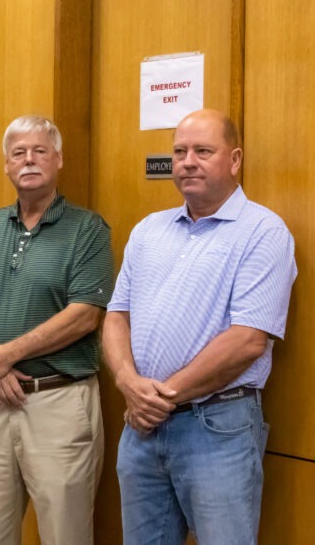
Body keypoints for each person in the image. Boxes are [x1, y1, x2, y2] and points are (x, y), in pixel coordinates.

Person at [102, 109, 296, 545]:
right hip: (141, 428)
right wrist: (128, 382)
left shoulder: (263, 232)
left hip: (217, 428)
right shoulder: (148, 230)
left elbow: (247, 340)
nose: (188, 161)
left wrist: (157, 398)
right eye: (180, 152)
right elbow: (116, 316)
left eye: (203, 151)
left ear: (235, 159)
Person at [0, 115, 113, 545]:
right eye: (19, 153)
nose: (29, 160)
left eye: (40, 151)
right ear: (7, 164)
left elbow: (86, 314)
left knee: (65, 534)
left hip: (58, 403)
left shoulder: (87, 229)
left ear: (58, 159)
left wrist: (6, 355)